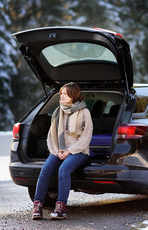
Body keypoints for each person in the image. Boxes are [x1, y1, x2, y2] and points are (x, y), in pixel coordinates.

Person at [32, 82, 93, 220]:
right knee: (45, 170)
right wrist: (57, 151)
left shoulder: (84, 112)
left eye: (65, 94)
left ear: (73, 95)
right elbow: (51, 136)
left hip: (79, 151)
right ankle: (38, 206)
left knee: (63, 170)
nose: (62, 96)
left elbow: (86, 137)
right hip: (59, 150)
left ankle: (60, 208)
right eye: (61, 94)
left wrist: (69, 151)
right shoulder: (57, 112)